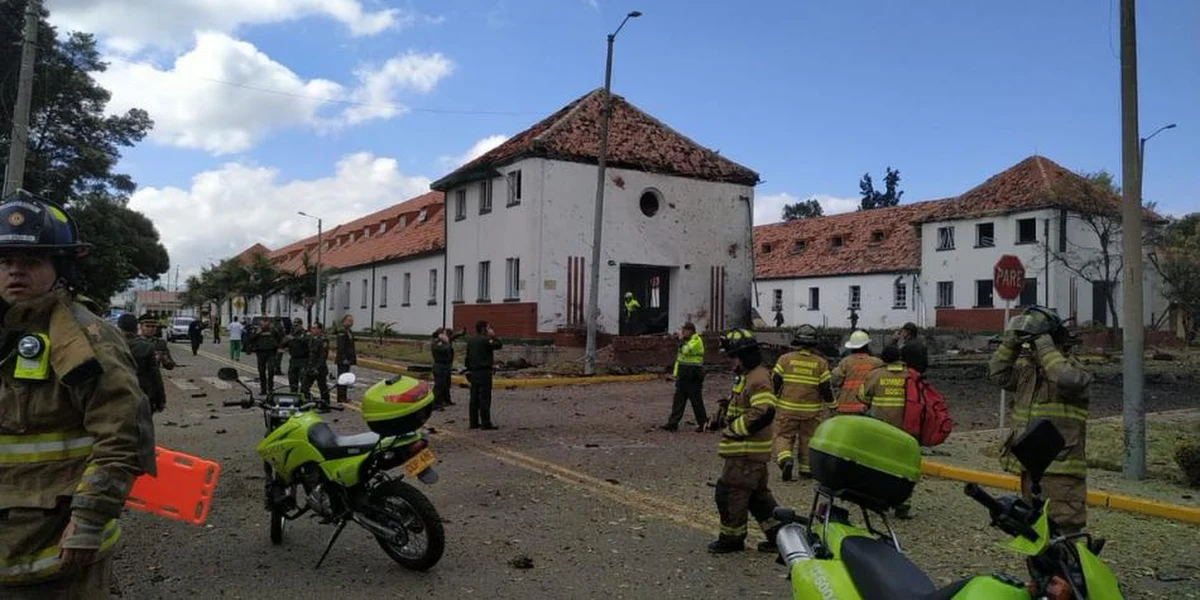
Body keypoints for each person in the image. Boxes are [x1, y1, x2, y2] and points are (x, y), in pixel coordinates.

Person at [0, 190, 156, 597]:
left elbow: (123, 437)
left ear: (60, 266)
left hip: (57, 552)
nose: (15, 272)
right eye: (4, 262)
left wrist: (89, 520)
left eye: (31, 261)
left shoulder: (85, 338)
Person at [987, 306, 1092, 534]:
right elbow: (997, 374)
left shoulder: (1075, 370)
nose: (1032, 349)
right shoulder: (1028, 373)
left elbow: (1066, 379)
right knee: (1034, 534)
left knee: (1063, 535)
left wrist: (1045, 346)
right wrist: (1011, 343)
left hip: (1062, 474)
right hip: (1031, 470)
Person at [708, 328, 781, 554]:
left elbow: (764, 411)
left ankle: (732, 539)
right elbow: (745, 407)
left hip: (746, 454)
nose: (730, 361)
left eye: (732, 356)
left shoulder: (757, 378)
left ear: (744, 355)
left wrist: (734, 429)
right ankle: (781, 538)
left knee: (730, 493)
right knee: (758, 499)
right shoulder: (747, 376)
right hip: (747, 454)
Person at [770, 325, 834, 481]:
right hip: (811, 411)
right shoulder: (821, 363)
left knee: (783, 436)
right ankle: (806, 470)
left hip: (787, 409)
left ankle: (785, 459)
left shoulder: (785, 359)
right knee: (808, 439)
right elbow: (825, 388)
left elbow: (775, 381)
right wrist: (832, 404)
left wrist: (772, 399)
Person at [860, 344, 913, 518]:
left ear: (883, 359)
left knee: (879, 464)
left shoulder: (875, 375)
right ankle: (903, 503)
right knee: (904, 466)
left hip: (880, 428)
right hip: (905, 429)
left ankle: (879, 499)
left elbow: (862, 397)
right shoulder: (910, 375)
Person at [661, 322, 707, 432]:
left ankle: (703, 424)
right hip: (684, 375)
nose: (682, 333)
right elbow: (680, 360)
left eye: (684, 331)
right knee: (678, 400)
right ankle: (673, 423)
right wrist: (676, 375)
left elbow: (686, 350)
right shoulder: (687, 341)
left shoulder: (696, 340)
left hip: (694, 375)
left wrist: (680, 340)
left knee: (696, 401)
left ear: (691, 331)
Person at [118, 314, 167, 414]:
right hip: (141, 392)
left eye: (153, 326)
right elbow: (155, 375)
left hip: (117, 392)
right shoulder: (146, 347)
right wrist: (160, 399)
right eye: (147, 326)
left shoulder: (111, 344)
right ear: (138, 327)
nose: (151, 329)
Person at [831, 330, 883, 414]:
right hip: (867, 408)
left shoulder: (846, 362)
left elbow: (834, 380)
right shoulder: (877, 363)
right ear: (867, 345)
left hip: (846, 407)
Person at [465, 320, 503, 430]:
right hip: (484, 372)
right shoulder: (486, 339)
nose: (489, 329)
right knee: (484, 398)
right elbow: (498, 345)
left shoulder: (470, 340)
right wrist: (493, 336)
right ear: (483, 329)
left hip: (473, 372)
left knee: (474, 398)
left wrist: (469, 369)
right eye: (488, 327)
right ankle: (486, 422)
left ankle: (473, 422)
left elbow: (467, 357)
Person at [431, 327, 466, 410]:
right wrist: (446, 342)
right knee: (439, 386)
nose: (446, 335)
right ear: (440, 335)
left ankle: (446, 400)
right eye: (444, 333)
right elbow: (445, 349)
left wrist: (460, 333)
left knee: (446, 385)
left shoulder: (444, 341)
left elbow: (453, 337)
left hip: (446, 366)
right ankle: (436, 403)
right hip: (440, 366)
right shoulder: (436, 343)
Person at [248, 317, 282, 395]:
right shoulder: (257, 330)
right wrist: (257, 333)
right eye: (263, 322)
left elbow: (280, 338)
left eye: (266, 321)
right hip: (260, 353)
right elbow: (250, 339)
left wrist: (278, 347)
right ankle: (263, 389)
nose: (264, 323)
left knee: (271, 370)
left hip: (271, 352)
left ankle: (270, 388)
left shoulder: (273, 330)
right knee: (261, 372)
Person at [303, 322, 331, 410]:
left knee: (323, 388)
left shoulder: (323, 340)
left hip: (320, 369)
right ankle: (307, 403)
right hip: (310, 367)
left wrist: (317, 368)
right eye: (312, 328)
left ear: (320, 329)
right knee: (304, 386)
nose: (313, 330)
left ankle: (325, 406)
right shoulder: (311, 339)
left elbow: (323, 356)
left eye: (315, 328)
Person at [283, 318, 309, 393]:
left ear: (301, 325)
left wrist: (294, 339)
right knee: (292, 379)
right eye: (294, 326)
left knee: (303, 381)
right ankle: (293, 394)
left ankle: (304, 396)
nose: (295, 327)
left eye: (297, 325)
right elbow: (284, 344)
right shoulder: (292, 334)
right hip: (293, 359)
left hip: (303, 360)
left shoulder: (305, 333)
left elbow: (305, 341)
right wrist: (284, 342)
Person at [335, 315, 357, 403]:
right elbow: (341, 346)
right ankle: (340, 397)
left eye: (352, 321)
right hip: (343, 360)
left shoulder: (349, 331)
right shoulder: (342, 331)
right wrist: (344, 358)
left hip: (348, 360)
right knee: (342, 378)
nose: (350, 322)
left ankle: (344, 396)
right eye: (348, 320)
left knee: (346, 379)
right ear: (344, 321)